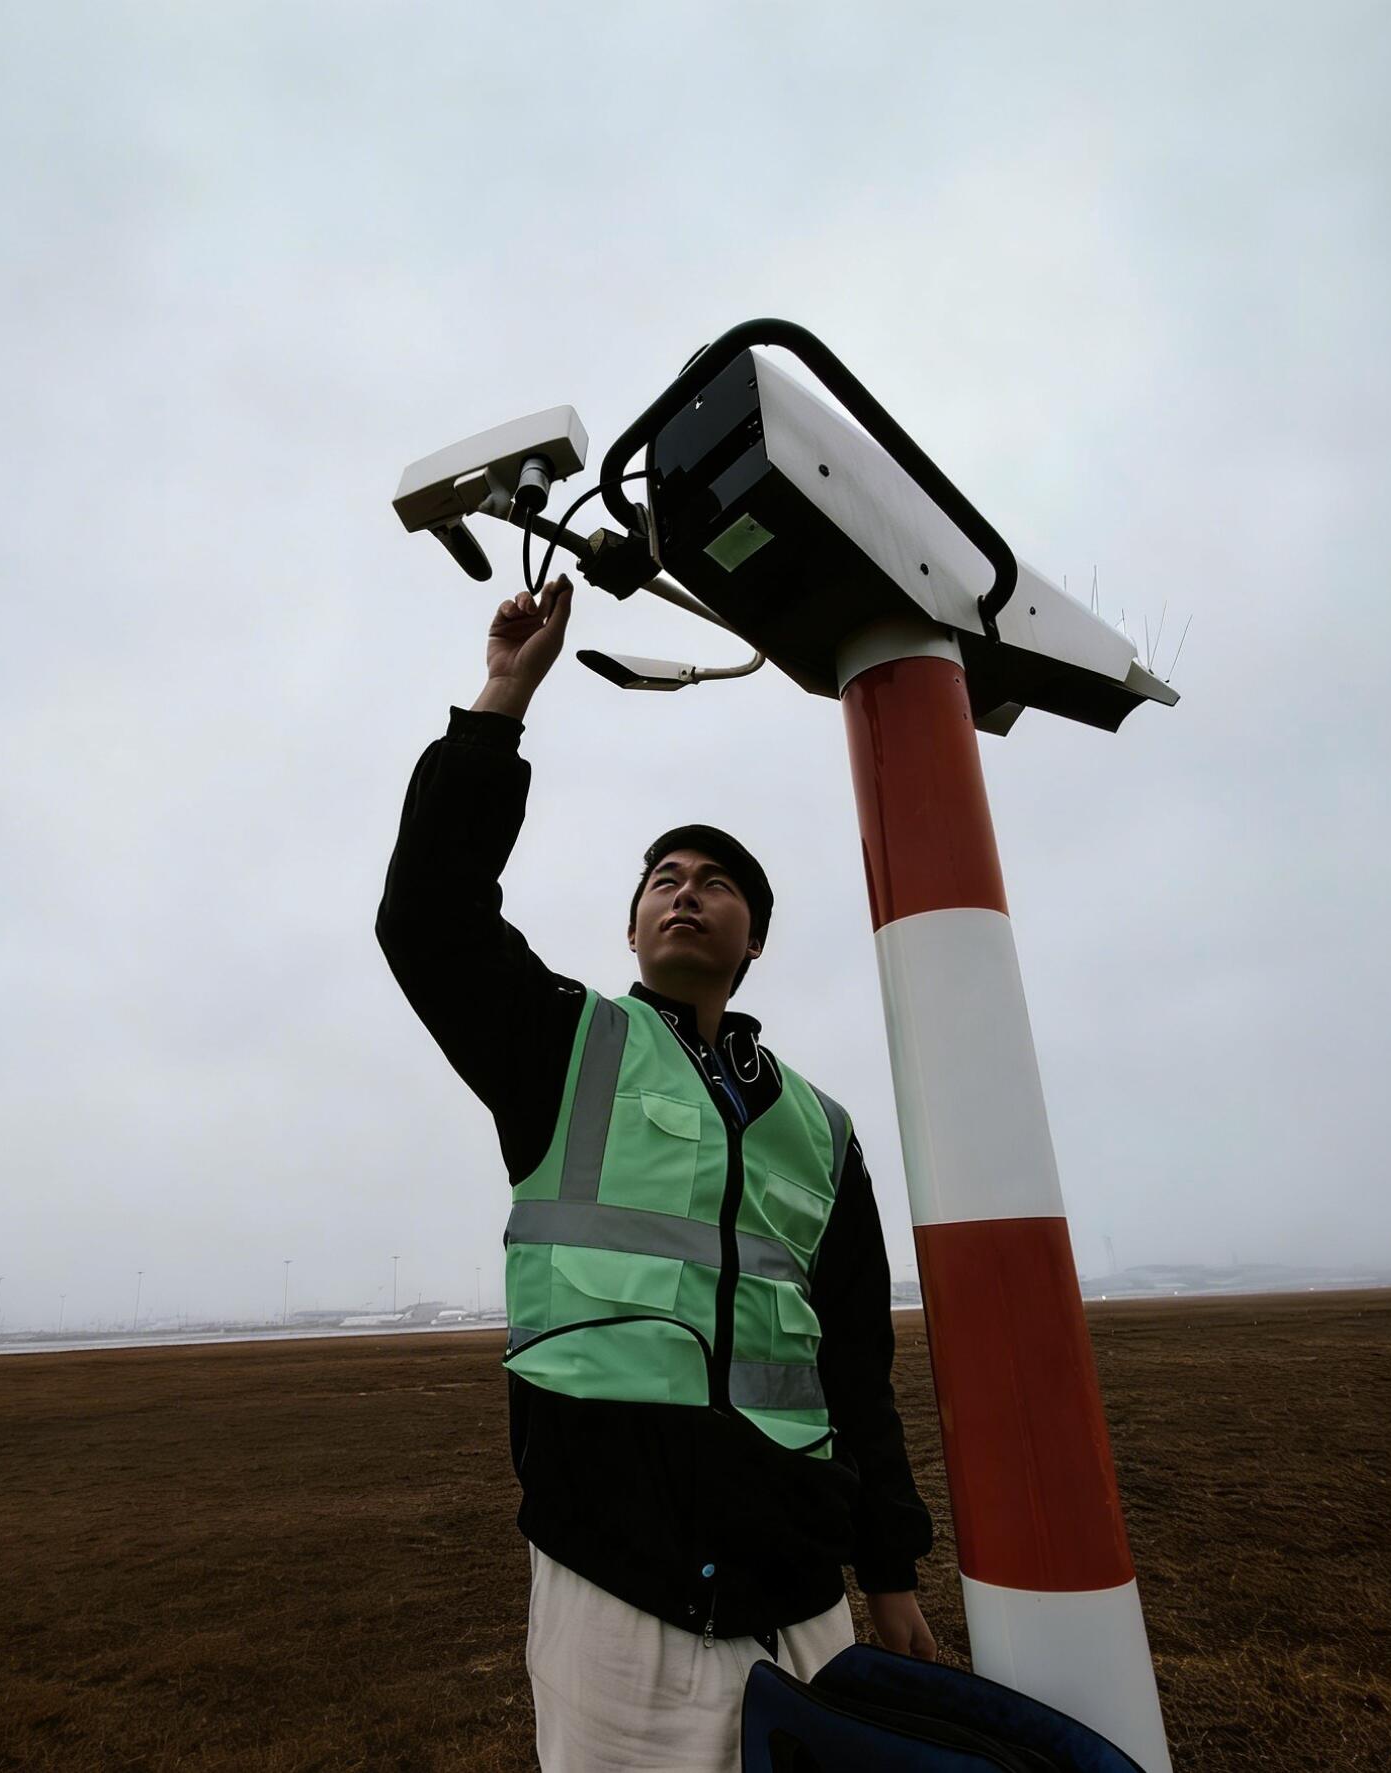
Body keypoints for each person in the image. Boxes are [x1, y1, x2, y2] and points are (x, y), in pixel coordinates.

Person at [377, 575, 938, 1771]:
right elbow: (427, 916)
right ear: (635, 925)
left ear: (755, 938)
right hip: (615, 1579)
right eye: (664, 879)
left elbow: (855, 1366)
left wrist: (886, 1569)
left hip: (800, 1584)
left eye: (718, 881)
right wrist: (500, 702)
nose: (688, 891)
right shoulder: (563, 1047)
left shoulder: (822, 1129)